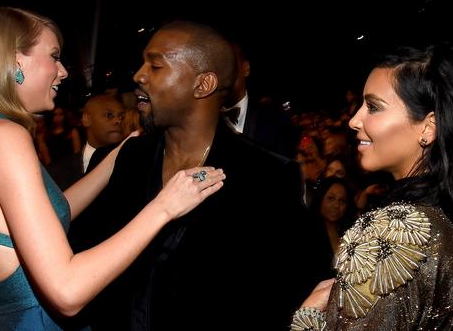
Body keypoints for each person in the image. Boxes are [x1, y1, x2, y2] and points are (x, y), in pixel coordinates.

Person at [0, 6, 225, 330]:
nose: (63, 72)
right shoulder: (4, 137)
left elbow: (53, 210)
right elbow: (67, 290)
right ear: (16, 62)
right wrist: (164, 206)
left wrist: (117, 155)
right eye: (54, 56)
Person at [67, 20, 332, 331]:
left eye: (155, 66)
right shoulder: (133, 156)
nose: (139, 75)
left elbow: (287, 295)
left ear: (202, 84)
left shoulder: (268, 174)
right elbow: (84, 249)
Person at [292, 43, 453, 330]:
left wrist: (307, 317)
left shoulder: (390, 234)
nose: (353, 120)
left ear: (428, 127)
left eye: (373, 107)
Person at [221, 40, 297, 158]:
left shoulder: (275, 118)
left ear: (246, 68)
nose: (223, 73)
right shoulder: (204, 122)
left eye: (230, 64)